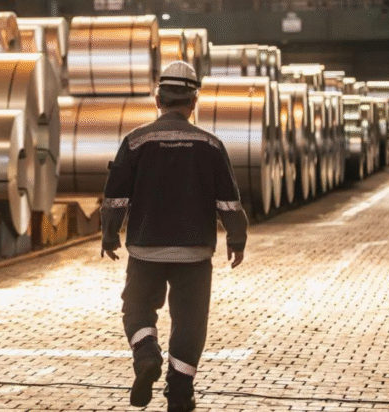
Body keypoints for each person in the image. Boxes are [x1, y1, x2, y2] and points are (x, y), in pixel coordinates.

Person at [100, 61, 248, 411]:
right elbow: (228, 201)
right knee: (190, 322)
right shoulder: (211, 145)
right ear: (193, 102)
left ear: (157, 99)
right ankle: (180, 393)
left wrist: (109, 233)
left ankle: (146, 355)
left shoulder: (135, 142)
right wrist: (236, 239)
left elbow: (115, 196)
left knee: (136, 307)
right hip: (194, 253)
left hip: (145, 249)